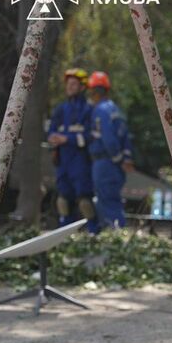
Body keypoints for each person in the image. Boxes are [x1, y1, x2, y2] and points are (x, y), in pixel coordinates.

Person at [46, 68, 96, 230]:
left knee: (84, 201)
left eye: (74, 84)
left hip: (81, 160)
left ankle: (93, 232)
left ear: (82, 87)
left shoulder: (89, 109)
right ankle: (64, 232)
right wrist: (52, 138)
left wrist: (68, 139)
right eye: (68, 84)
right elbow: (51, 129)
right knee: (62, 199)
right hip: (63, 160)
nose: (69, 87)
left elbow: (91, 135)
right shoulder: (61, 109)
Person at [87, 71, 131, 230]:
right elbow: (126, 139)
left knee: (108, 203)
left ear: (94, 92)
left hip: (105, 163)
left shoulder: (100, 110)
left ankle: (116, 241)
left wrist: (117, 159)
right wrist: (125, 160)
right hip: (115, 166)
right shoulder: (116, 110)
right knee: (112, 200)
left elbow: (109, 140)